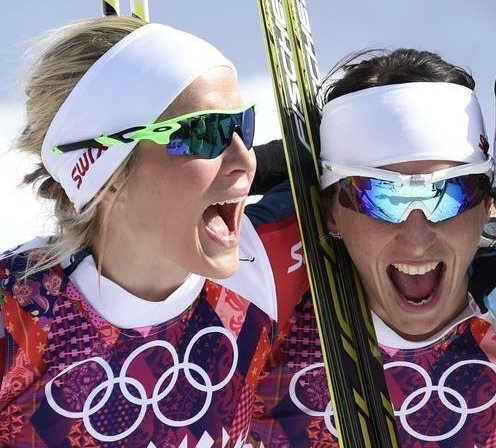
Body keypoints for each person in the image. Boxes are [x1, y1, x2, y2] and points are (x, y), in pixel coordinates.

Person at [250, 48, 496, 447]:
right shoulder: (267, 306)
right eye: (380, 196)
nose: (417, 236)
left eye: (450, 192)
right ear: (331, 210)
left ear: (488, 200)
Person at [0, 17, 307, 446]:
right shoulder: (15, 313)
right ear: (106, 175)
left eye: (243, 125)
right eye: (203, 133)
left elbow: (393, 169)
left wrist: (288, 161)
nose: (245, 159)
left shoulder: (268, 268)